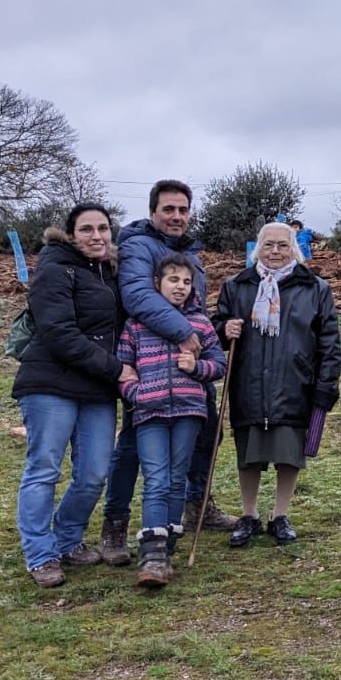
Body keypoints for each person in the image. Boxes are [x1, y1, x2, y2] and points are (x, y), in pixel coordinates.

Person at [101, 180, 237, 568]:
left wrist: (212, 334)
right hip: (153, 373)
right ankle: (116, 524)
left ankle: (195, 507)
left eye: (183, 210)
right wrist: (185, 334)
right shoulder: (137, 246)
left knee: (204, 437)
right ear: (152, 212)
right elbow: (139, 299)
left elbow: (195, 306)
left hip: (189, 378)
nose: (176, 216)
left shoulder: (189, 254)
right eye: (168, 209)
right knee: (132, 451)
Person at [11, 204, 127, 588]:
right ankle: (41, 554)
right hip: (50, 383)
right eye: (86, 229)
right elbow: (59, 333)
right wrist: (116, 369)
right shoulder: (54, 270)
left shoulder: (112, 273)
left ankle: (67, 538)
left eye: (103, 229)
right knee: (44, 469)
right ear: (70, 234)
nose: (96, 236)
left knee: (95, 473)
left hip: (95, 389)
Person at [214, 222, 341, 547]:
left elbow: (329, 342)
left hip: (295, 383)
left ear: (293, 249)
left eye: (283, 246)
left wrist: (326, 385)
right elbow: (215, 327)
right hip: (249, 381)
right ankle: (249, 515)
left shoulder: (315, 288)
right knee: (249, 452)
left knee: (289, 451)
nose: (275, 252)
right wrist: (222, 329)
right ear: (258, 248)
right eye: (268, 245)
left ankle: (280, 515)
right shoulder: (237, 286)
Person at [116, 253, 226, 586]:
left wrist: (199, 368)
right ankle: (152, 552)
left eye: (186, 281)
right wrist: (136, 393)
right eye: (173, 280)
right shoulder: (136, 324)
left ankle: (168, 543)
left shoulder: (201, 324)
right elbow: (122, 367)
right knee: (156, 478)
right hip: (149, 413)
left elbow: (219, 364)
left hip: (189, 412)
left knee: (177, 477)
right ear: (157, 284)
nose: (179, 287)